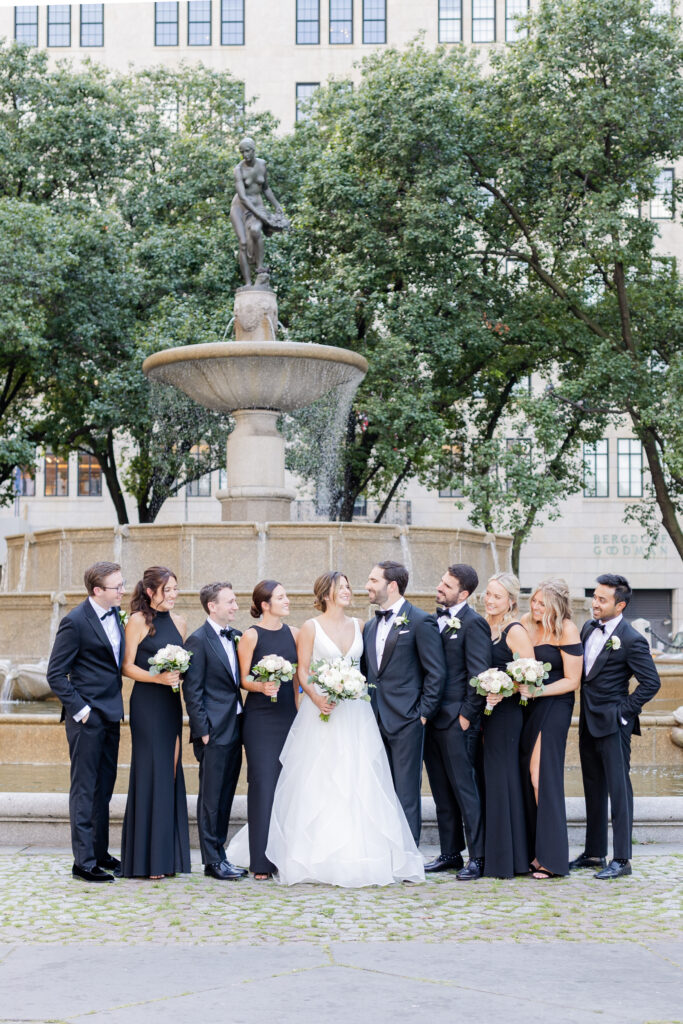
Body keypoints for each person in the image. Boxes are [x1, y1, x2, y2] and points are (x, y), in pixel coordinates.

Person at [265, 572, 425, 886]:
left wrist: (351, 687)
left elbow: (366, 669)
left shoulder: (360, 626)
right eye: (342, 587)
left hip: (355, 712)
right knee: (321, 779)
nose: (348, 592)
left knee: (360, 776)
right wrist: (316, 696)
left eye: (350, 587)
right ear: (326, 593)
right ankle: (315, 857)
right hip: (322, 712)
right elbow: (304, 670)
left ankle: (363, 853)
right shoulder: (310, 627)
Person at [571, 573, 661, 880]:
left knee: (619, 790)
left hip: (614, 725)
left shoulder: (633, 639)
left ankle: (622, 858)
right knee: (593, 787)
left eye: (602, 599)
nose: (595, 603)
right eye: (594, 597)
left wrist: (625, 712)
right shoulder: (587, 628)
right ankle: (595, 852)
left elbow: (652, 682)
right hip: (588, 723)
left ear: (619, 605)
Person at [47, 561, 126, 883]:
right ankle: (83, 862)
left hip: (111, 714)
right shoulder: (75, 621)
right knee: (84, 790)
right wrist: (82, 711)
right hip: (87, 718)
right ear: (97, 591)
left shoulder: (116, 617)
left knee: (103, 789)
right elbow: (55, 673)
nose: (123, 590)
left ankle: (100, 852)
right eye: (117, 586)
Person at [363, 561, 446, 843]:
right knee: (378, 789)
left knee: (406, 792)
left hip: (407, 720)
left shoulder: (421, 621)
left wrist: (422, 714)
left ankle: (407, 855)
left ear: (392, 586)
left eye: (373, 581)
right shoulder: (370, 625)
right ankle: (383, 850)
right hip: (374, 719)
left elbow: (436, 672)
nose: (368, 586)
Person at [120, 566, 191, 879]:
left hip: (171, 703)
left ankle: (168, 857)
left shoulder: (180, 622)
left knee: (171, 772)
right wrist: (157, 677)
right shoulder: (137, 621)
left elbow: (185, 666)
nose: (174, 595)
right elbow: (126, 666)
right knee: (152, 773)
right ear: (150, 592)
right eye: (168, 589)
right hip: (147, 704)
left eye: (176, 589)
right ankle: (147, 860)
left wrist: (177, 676)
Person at [424, 563, 492, 880]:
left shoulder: (473, 624)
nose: (440, 587)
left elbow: (478, 675)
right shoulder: (432, 619)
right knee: (441, 790)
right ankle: (450, 853)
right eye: (442, 581)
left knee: (466, 791)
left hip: (457, 721)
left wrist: (466, 716)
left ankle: (478, 857)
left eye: (447, 585)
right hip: (432, 719)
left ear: (463, 593)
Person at [227, 580, 298, 879]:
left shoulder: (295, 634)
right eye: (281, 597)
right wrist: (261, 685)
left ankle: (285, 855)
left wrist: (300, 714)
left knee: (288, 789)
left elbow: (297, 680)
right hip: (259, 720)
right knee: (263, 786)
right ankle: (260, 861)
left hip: (288, 717)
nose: (287, 600)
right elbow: (241, 679)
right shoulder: (250, 636)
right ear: (265, 604)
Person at [182, 582, 247, 882]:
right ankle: (211, 861)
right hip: (214, 731)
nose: (235, 606)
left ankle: (220, 855)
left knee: (225, 795)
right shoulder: (197, 640)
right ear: (213, 606)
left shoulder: (235, 637)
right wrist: (203, 732)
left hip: (235, 727)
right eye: (230, 602)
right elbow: (192, 691)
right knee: (211, 798)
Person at [519, 579, 582, 879]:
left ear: (556, 606)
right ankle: (533, 853)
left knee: (540, 776)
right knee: (527, 778)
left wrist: (538, 692)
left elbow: (572, 680)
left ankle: (552, 857)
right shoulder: (524, 624)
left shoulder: (566, 629)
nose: (535, 607)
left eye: (541, 603)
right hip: (525, 706)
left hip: (554, 706)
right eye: (533, 601)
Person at [482, 572, 534, 878]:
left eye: (497, 596)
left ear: (511, 601)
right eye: (488, 594)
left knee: (503, 779)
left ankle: (508, 860)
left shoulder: (515, 631)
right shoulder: (484, 625)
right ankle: (495, 854)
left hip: (507, 714)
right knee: (490, 780)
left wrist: (503, 687)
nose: (490, 600)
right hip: (486, 712)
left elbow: (529, 674)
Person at [230, 136, 289, 287]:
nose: (245, 155)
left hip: (257, 203)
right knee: (243, 243)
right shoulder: (238, 170)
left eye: (248, 151)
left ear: (254, 150)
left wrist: (276, 205)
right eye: (242, 152)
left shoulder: (262, 164)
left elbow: (266, 188)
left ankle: (260, 267)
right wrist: (259, 214)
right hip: (240, 207)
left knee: (256, 230)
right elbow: (243, 197)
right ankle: (248, 283)